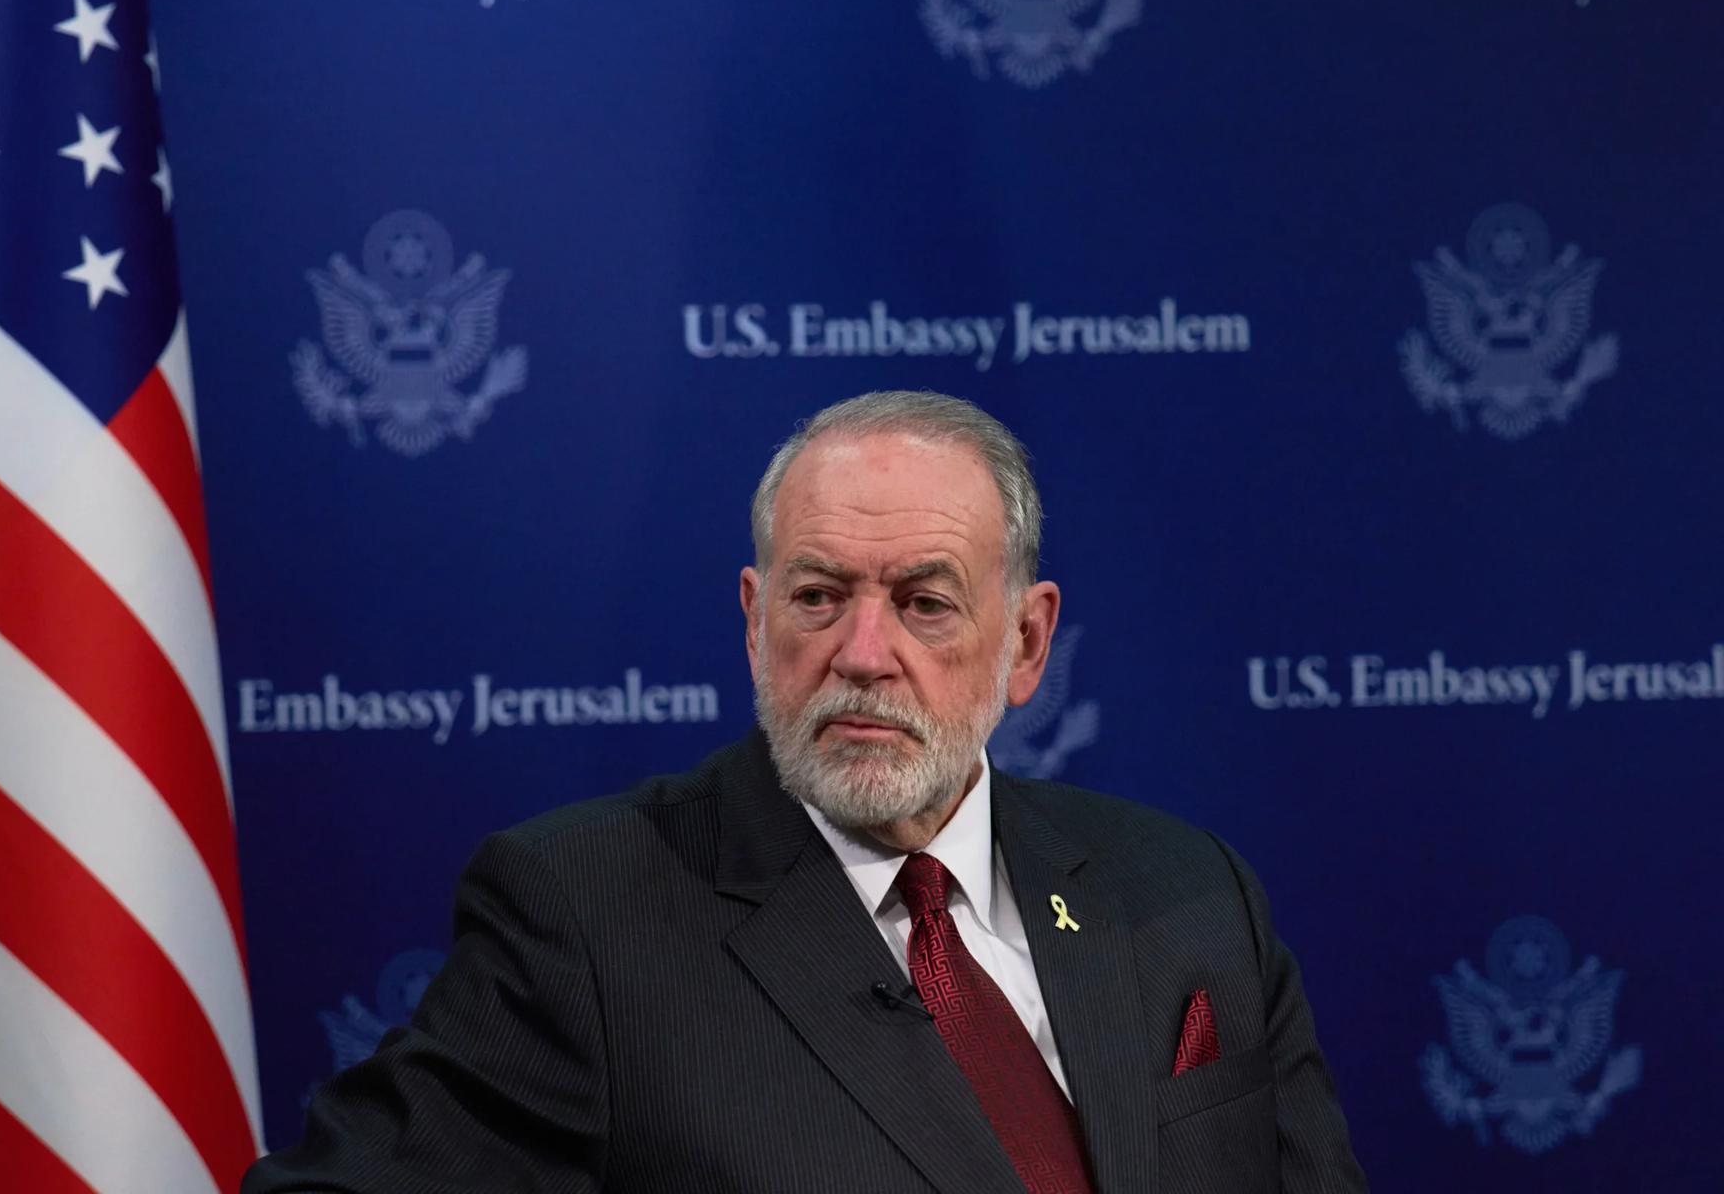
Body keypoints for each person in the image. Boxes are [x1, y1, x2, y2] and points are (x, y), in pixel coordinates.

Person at [245, 391, 1366, 1193]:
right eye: (819, 595)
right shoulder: (584, 915)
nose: (862, 651)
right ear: (753, 616)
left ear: (1027, 642)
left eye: (925, 601)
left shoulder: (1185, 889)